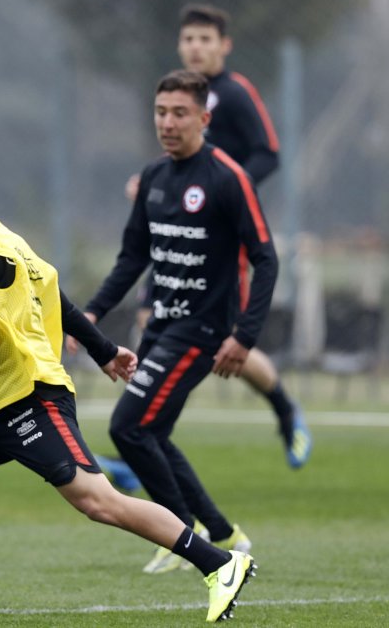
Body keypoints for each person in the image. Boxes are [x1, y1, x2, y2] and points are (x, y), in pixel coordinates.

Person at [0, 144, 256, 623]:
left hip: (30, 399)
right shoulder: (4, 238)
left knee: (99, 502)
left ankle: (221, 563)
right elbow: (56, 296)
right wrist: (104, 350)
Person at [67, 69, 277, 575]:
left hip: (203, 331)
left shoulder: (227, 177)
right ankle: (222, 534)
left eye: (180, 113)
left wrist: (244, 336)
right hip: (162, 325)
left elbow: (265, 258)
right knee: (151, 432)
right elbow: (131, 258)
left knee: (129, 427)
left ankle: (183, 533)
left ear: (204, 118)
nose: (168, 122)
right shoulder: (155, 179)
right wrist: (91, 313)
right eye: (161, 112)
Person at [118, 4, 312, 484]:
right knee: (155, 319)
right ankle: (145, 440)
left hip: (224, 237)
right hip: (181, 237)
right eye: (189, 39)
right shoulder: (179, 94)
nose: (196, 47)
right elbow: (181, 163)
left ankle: (286, 411)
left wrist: (228, 189)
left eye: (206, 39)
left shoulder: (236, 92)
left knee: (224, 339)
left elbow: (269, 153)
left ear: (224, 46)